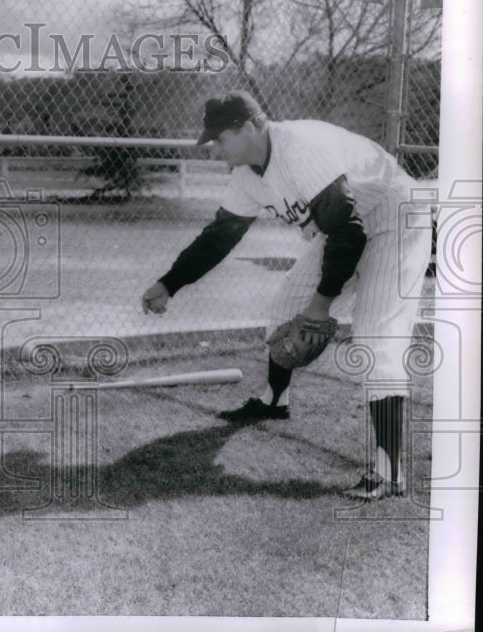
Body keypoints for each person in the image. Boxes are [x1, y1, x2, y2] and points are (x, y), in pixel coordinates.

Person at [141, 91, 432, 501]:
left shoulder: (300, 149)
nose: (214, 148)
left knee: (376, 337)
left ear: (248, 127)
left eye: (220, 138)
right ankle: (275, 400)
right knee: (283, 310)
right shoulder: (246, 175)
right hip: (349, 222)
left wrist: (321, 305)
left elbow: (349, 234)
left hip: (395, 215)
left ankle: (391, 471)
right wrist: (168, 283)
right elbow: (218, 238)